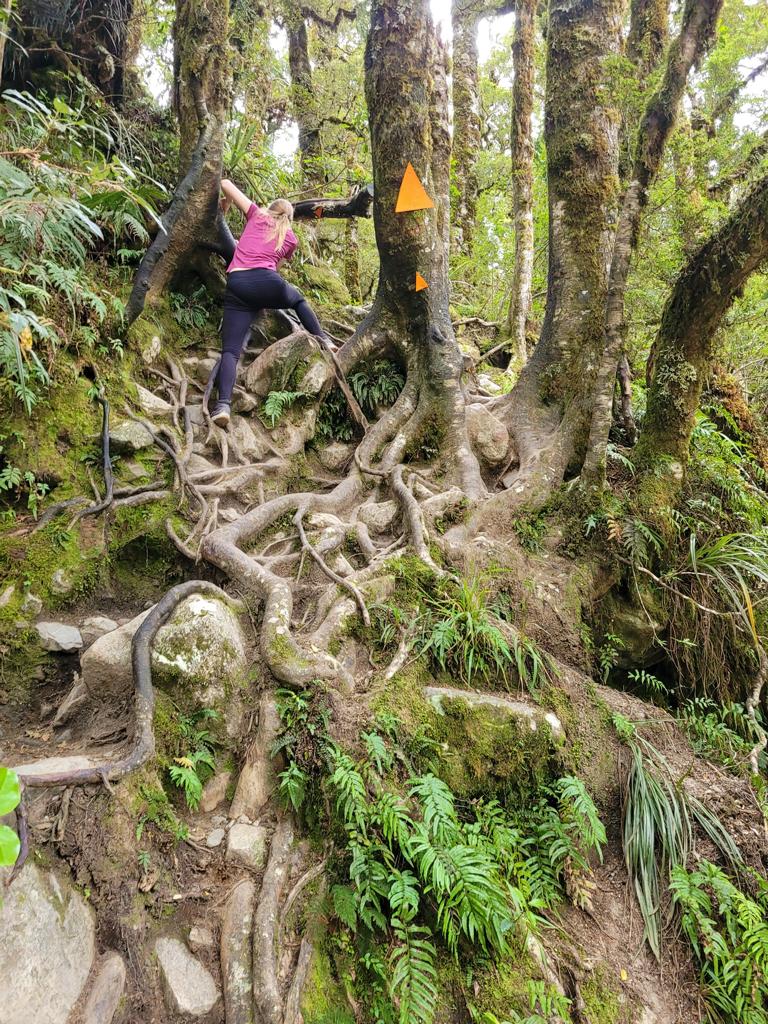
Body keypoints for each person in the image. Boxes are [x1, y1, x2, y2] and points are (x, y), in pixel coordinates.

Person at [211, 178, 332, 428]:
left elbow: (224, 182)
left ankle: (222, 406)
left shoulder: (256, 214)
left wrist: (226, 204)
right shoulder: (290, 239)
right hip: (266, 281)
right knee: (297, 300)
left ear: (270, 208)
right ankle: (325, 340)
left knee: (231, 352)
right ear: (289, 217)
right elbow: (275, 268)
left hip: (237, 283)